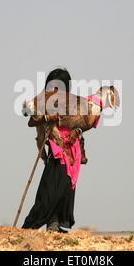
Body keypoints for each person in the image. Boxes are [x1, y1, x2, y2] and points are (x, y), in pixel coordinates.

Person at [22, 68, 82, 232]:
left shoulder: (72, 103)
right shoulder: (44, 100)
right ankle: (30, 225)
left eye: (58, 87)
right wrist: (49, 117)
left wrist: (75, 132)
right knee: (51, 190)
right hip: (56, 150)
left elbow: (81, 125)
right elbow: (28, 117)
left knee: (64, 189)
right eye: (52, 86)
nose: (54, 90)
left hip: (71, 152)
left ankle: (53, 225)